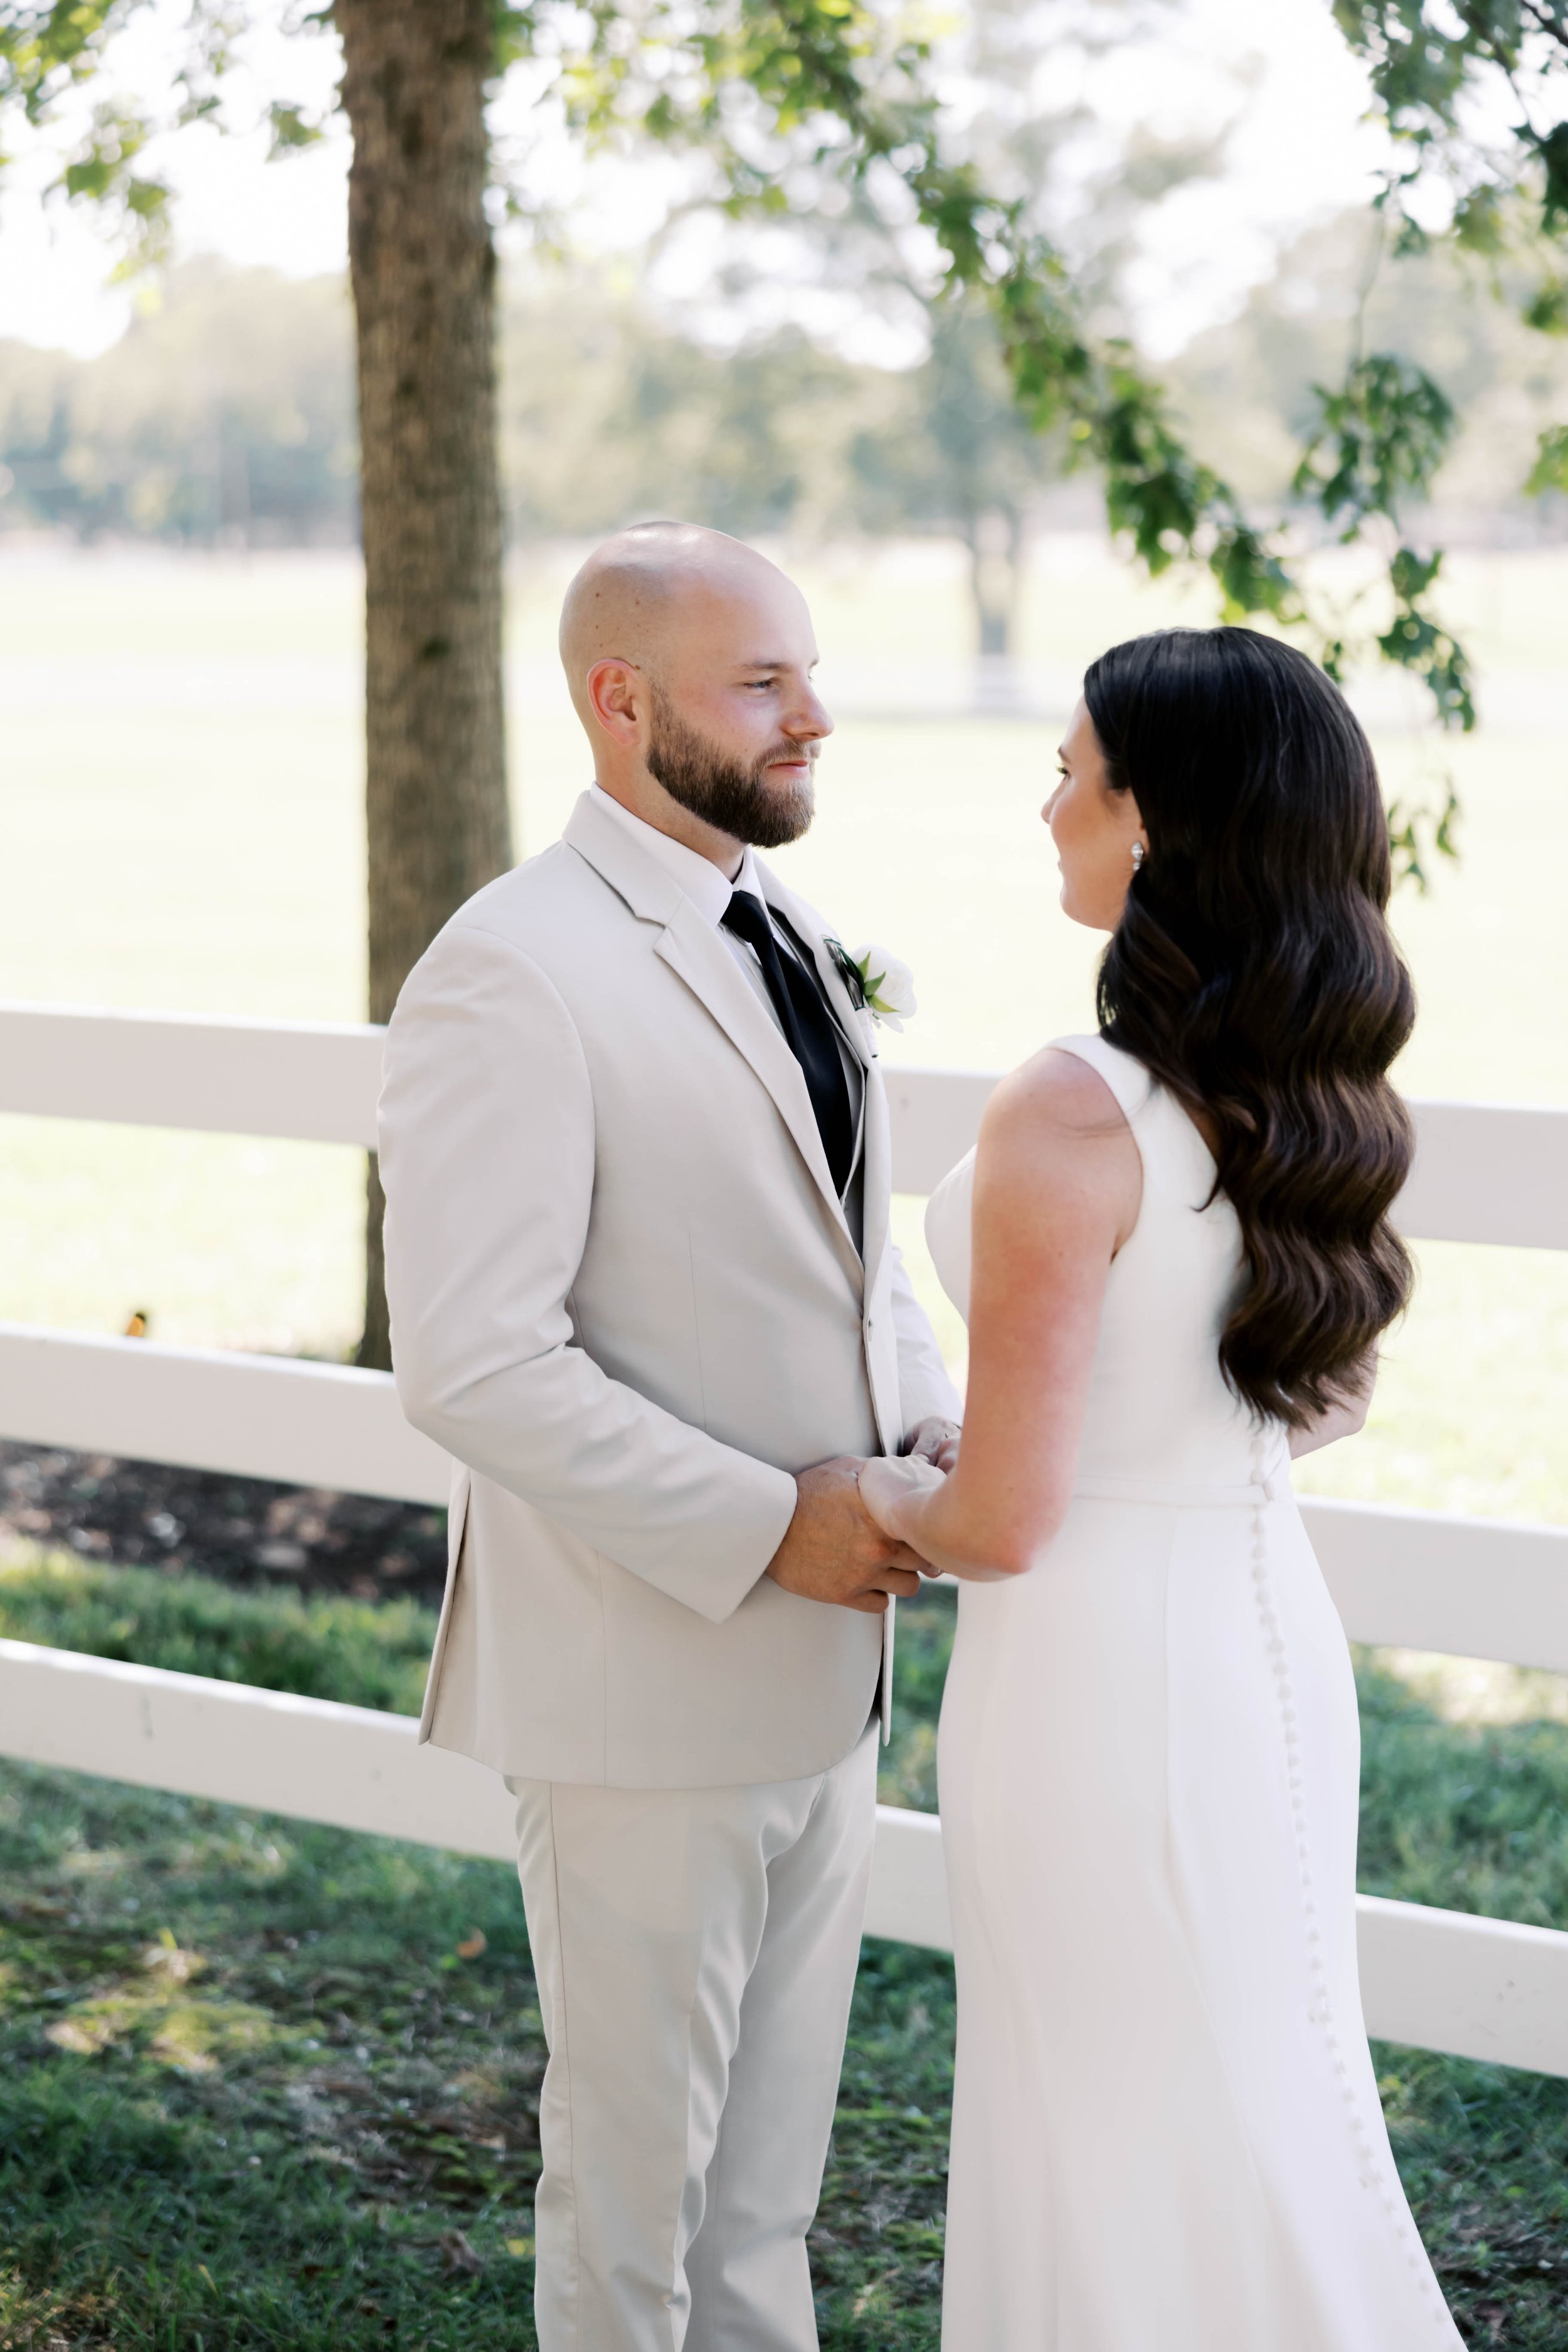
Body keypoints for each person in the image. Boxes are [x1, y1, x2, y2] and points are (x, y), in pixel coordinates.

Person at [376, 519, 961, 2352]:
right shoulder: (514, 968)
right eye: (764, 682)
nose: (815, 718)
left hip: (826, 1677)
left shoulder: (768, 918)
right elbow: (472, 1361)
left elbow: (843, 1257)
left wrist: (932, 1430)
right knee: (634, 2202)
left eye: (809, 671)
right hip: (643, 1684)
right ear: (621, 706)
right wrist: (767, 1524)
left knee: (763, 2209)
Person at [861, 627, 1463, 2349]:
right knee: (1253, 2094)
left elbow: (997, 1523)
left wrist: (871, 1487)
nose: (1045, 804)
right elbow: (1310, 1396)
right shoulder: (1309, 1089)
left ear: (1151, 822)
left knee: (1103, 2122)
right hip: (1256, 1629)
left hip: (1097, 1684)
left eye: (1068, 770)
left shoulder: (1073, 1109)